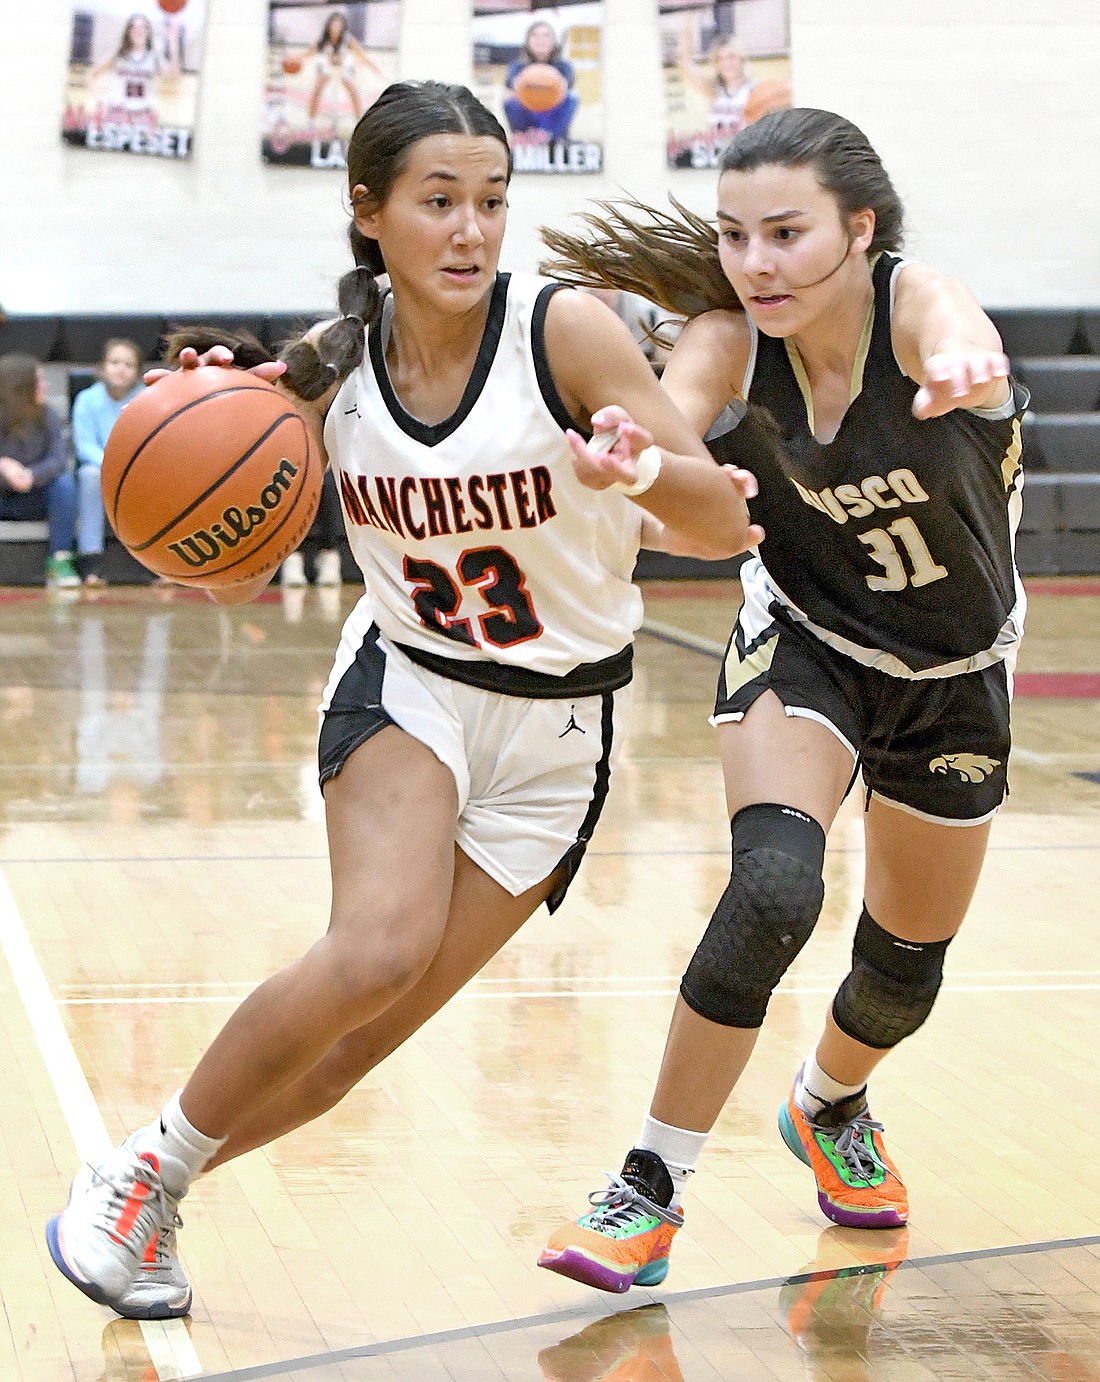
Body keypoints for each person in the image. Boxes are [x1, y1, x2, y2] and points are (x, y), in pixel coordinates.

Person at [44, 79, 759, 1321]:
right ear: (369, 212)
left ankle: (160, 1186)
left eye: (490, 200)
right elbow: (239, 571)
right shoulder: (328, 367)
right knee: (373, 947)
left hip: (559, 733)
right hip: (413, 682)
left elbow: (720, 515)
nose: (472, 230)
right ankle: (135, 1170)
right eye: (439, 202)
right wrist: (211, 455)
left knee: (344, 1060)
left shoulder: (566, 331)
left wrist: (636, 465)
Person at [536, 106, 1028, 1292]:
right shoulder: (724, 338)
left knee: (902, 968)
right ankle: (646, 1186)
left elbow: (953, 326)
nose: (755, 263)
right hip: (804, 640)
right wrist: (634, 454)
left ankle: (829, 1101)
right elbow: (678, 452)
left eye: (786, 233)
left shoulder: (917, 305)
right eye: (736, 236)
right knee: (770, 888)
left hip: (954, 674)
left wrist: (969, 365)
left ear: (858, 229)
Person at [0, 353, 79, 588]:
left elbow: (58, 459)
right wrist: (3, 467)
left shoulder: (47, 415)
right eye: (38, 380)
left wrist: (31, 475)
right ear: (20, 386)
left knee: (64, 484)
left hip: (33, 496)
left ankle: (60, 560)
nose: (44, 385)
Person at [70, 338, 143, 587]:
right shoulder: (86, 399)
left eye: (128, 364)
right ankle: (91, 561)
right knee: (89, 476)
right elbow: (84, 446)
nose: (121, 368)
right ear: (102, 367)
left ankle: (157, 562)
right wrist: (112, 467)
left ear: (137, 372)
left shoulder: (145, 399)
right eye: (114, 362)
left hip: (138, 469)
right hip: (100, 468)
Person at [677, 17, 755, 143]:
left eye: (731, 56)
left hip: (743, 157)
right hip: (717, 158)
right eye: (720, 58)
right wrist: (688, 16)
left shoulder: (754, 90)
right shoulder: (714, 89)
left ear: (741, 59)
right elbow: (685, 63)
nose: (726, 63)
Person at [91, 11, 180, 120]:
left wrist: (173, 43)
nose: (138, 30)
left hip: (144, 114)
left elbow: (174, 77)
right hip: (118, 113)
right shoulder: (119, 54)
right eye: (134, 27)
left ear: (148, 32)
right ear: (128, 32)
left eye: (142, 27)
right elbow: (91, 74)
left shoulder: (154, 57)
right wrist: (100, 101)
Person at [502, 20, 579, 144]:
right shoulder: (517, 66)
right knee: (508, 97)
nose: (540, 40)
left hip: (551, 113)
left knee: (572, 96)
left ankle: (549, 135)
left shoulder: (564, 66)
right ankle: (525, 134)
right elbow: (511, 87)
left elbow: (567, 85)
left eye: (546, 35)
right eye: (535, 35)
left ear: (554, 41)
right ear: (528, 41)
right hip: (528, 111)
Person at [307, 10, 385, 124]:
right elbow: (308, 53)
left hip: (343, 67)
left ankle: (359, 121)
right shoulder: (323, 40)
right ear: (329, 25)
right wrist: (296, 58)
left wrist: (375, 68)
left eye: (338, 24)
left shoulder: (348, 39)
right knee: (317, 89)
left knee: (353, 91)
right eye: (333, 24)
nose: (336, 27)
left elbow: (362, 56)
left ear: (343, 26)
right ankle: (311, 121)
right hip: (327, 67)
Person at [279, 468, 345, 587]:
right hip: (293, 464)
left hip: (328, 466)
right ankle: (293, 556)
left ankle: (329, 553)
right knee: (297, 485)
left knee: (330, 484)